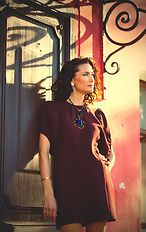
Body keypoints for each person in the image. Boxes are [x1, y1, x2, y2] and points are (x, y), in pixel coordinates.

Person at [39, 57, 116, 232]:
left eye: (92, 75)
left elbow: (110, 153)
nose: (92, 79)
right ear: (72, 80)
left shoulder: (98, 114)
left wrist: (102, 172)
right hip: (67, 188)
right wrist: (48, 193)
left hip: (97, 188)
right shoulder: (52, 110)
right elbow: (43, 153)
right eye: (86, 74)